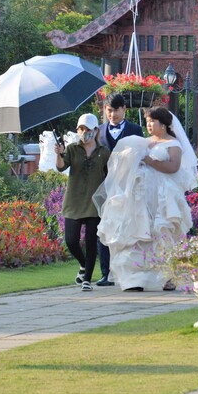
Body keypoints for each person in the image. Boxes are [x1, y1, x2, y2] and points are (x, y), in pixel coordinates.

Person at [96, 107, 198, 292]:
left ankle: (168, 275)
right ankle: (136, 278)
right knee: (139, 234)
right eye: (148, 121)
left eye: (153, 121)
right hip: (140, 195)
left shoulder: (173, 144)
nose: (149, 125)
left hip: (162, 196)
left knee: (161, 233)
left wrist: (149, 161)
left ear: (164, 124)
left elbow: (173, 167)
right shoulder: (144, 142)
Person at [55, 113, 110, 292]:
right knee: (71, 241)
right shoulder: (72, 149)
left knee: (90, 241)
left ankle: (87, 280)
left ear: (95, 130)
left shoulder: (103, 152)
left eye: (87, 129)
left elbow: (109, 176)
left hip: (94, 202)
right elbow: (61, 166)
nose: (84, 132)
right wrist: (59, 154)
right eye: (81, 129)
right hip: (74, 201)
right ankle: (83, 264)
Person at [95, 93, 145, 286]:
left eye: (116, 110)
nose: (112, 114)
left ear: (124, 109)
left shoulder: (135, 129)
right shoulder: (99, 131)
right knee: (105, 228)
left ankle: (129, 271)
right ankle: (105, 273)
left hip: (128, 187)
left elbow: (141, 157)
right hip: (105, 186)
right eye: (109, 110)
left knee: (128, 228)